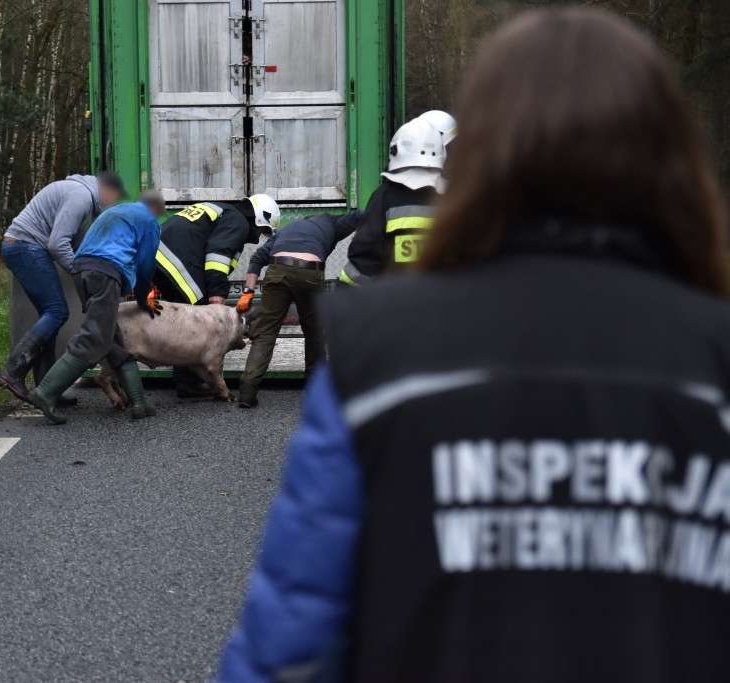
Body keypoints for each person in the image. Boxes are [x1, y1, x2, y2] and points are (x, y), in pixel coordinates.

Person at [220, 8, 730, 682]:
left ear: (482, 155)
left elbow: (290, 646)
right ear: (671, 160)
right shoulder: (712, 353)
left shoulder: (377, 352)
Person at [29, 191, 166, 425]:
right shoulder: (148, 221)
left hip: (81, 270)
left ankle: (139, 403)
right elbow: (145, 265)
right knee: (94, 339)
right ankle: (45, 392)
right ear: (155, 207)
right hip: (105, 273)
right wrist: (143, 297)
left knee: (111, 338)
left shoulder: (116, 210)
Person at [0, 171, 128, 405]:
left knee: (52, 315)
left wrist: (93, 270)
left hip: (24, 247)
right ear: (107, 190)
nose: (114, 203)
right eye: (116, 198)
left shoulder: (83, 200)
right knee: (57, 312)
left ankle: (47, 390)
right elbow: (57, 244)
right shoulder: (81, 197)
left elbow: (79, 246)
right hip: (24, 246)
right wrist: (79, 274)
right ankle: (13, 372)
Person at [153, 194, 281, 396]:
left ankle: (184, 375)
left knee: (182, 318)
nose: (259, 234)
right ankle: (190, 382)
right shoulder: (238, 221)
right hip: (176, 260)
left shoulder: (224, 210)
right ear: (258, 217)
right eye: (262, 229)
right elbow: (217, 255)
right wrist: (216, 293)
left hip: (158, 256)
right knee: (197, 318)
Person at [236, 211, 364, 408]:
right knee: (314, 332)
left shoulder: (286, 229)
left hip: (277, 269)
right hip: (309, 271)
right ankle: (317, 391)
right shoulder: (331, 221)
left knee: (265, 333)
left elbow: (257, 258)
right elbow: (359, 216)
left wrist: (248, 292)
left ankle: (246, 392)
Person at [338, 117, 446, 286]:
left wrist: (344, 296)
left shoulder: (384, 197)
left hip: (396, 304)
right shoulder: (456, 195)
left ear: (395, 152)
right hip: (449, 303)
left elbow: (365, 259)